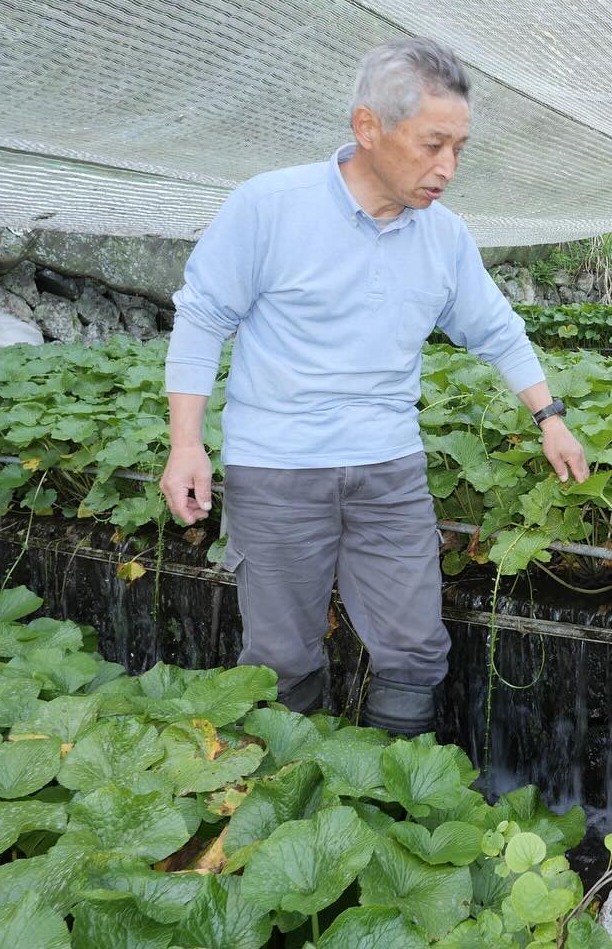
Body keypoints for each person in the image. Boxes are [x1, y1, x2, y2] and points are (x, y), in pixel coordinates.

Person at [160, 37, 588, 736]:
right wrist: (186, 446)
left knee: (415, 648)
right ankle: (294, 784)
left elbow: (496, 329)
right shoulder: (270, 206)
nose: (447, 168)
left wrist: (550, 417)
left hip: (389, 469)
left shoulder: (443, 236)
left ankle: (395, 790)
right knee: (280, 658)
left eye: (459, 149)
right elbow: (203, 318)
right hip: (277, 467)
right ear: (368, 126)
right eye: (432, 145)